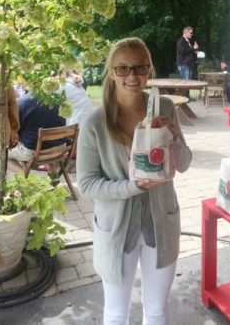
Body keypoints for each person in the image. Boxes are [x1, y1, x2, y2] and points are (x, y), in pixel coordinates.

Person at [76, 37, 192, 325]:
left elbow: (186, 163)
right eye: (123, 68)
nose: (132, 76)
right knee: (116, 314)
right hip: (116, 231)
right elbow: (88, 184)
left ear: (149, 70)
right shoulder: (95, 123)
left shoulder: (164, 108)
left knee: (157, 311)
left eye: (140, 68)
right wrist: (133, 186)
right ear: (111, 72)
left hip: (161, 224)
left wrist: (174, 135)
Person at [8, 91, 67, 163]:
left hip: (35, 153)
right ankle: (51, 169)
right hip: (60, 148)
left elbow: (16, 129)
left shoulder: (23, 102)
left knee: (3, 153)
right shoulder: (58, 99)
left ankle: (23, 173)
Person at [176, 26, 199, 100]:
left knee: (188, 82)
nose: (192, 34)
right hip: (183, 64)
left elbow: (189, 51)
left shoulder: (187, 41)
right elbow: (183, 51)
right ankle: (182, 97)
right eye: (191, 33)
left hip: (188, 64)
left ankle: (187, 97)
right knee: (184, 82)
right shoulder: (181, 41)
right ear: (186, 32)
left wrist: (195, 51)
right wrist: (193, 48)